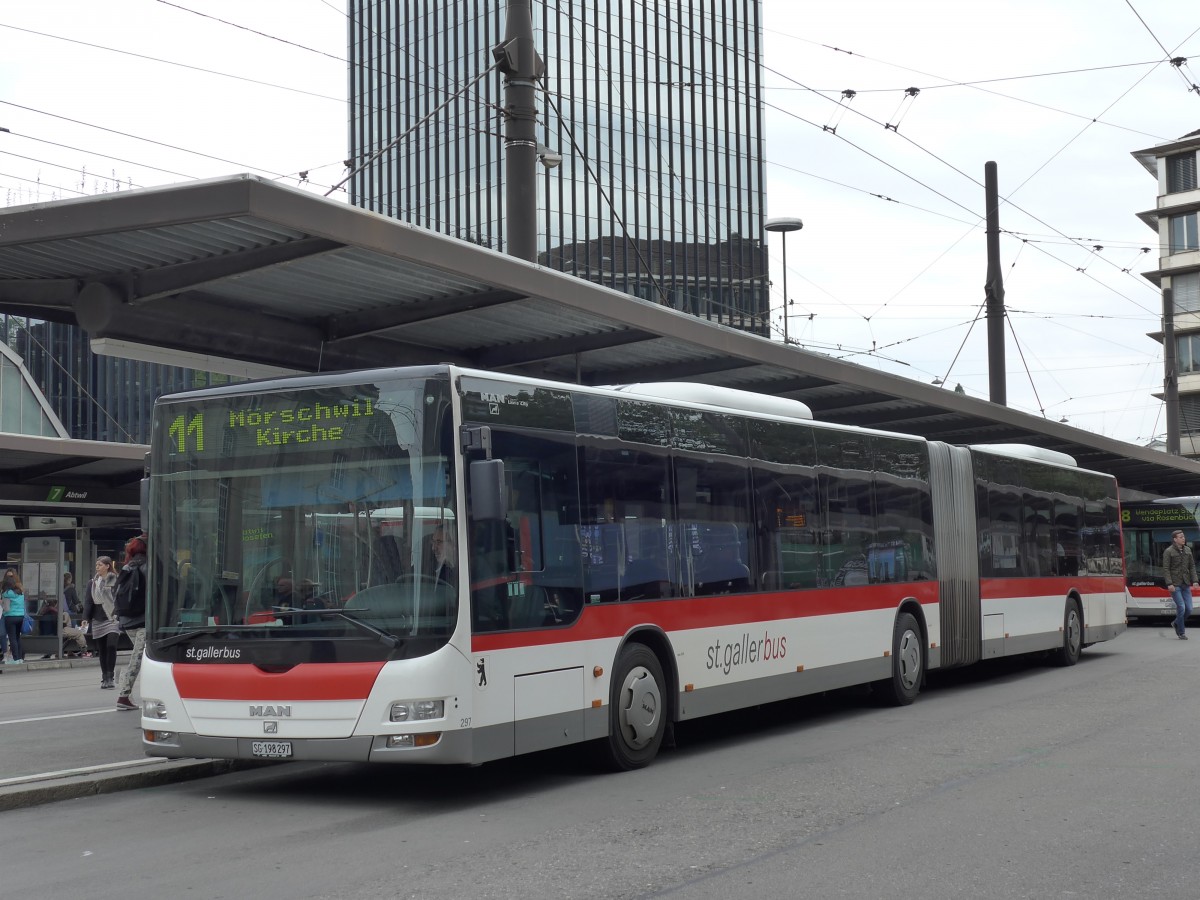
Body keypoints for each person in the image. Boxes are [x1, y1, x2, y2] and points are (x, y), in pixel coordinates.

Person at [114, 534, 148, 711]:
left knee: (140, 657)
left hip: (126, 620)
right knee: (138, 658)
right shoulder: (147, 566)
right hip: (143, 619)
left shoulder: (127, 566)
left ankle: (125, 692)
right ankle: (124, 695)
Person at [82, 556, 121, 688]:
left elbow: (121, 598)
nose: (97, 567)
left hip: (113, 617)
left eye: (100, 565)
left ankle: (110, 676)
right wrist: (85, 619)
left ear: (107, 566)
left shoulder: (116, 580)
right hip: (98, 618)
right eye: (97, 565)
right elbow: (88, 602)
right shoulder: (92, 583)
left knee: (111, 645)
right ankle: (105, 677)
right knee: (102, 649)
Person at [1163, 529, 1199, 641]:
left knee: (1189, 608)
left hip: (1186, 583)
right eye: (1181, 537)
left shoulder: (1188, 550)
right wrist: (1169, 583)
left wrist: (1195, 580)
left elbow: (1192, 566)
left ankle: (1176, 622)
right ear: (1175, 539)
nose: (1183, 538)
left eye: (1183, 536)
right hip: (1175, 584)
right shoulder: (1168, 551)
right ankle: (1181, 632)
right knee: (1181, 607)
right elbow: (1166, 569)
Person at [2, 567, 27, 665]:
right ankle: (20, 658)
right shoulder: (20, 591)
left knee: (12, 638)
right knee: (17, 637)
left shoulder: (6, 593)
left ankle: (15, 659)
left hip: (10, 617)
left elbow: (6, 608)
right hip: (20, 616)